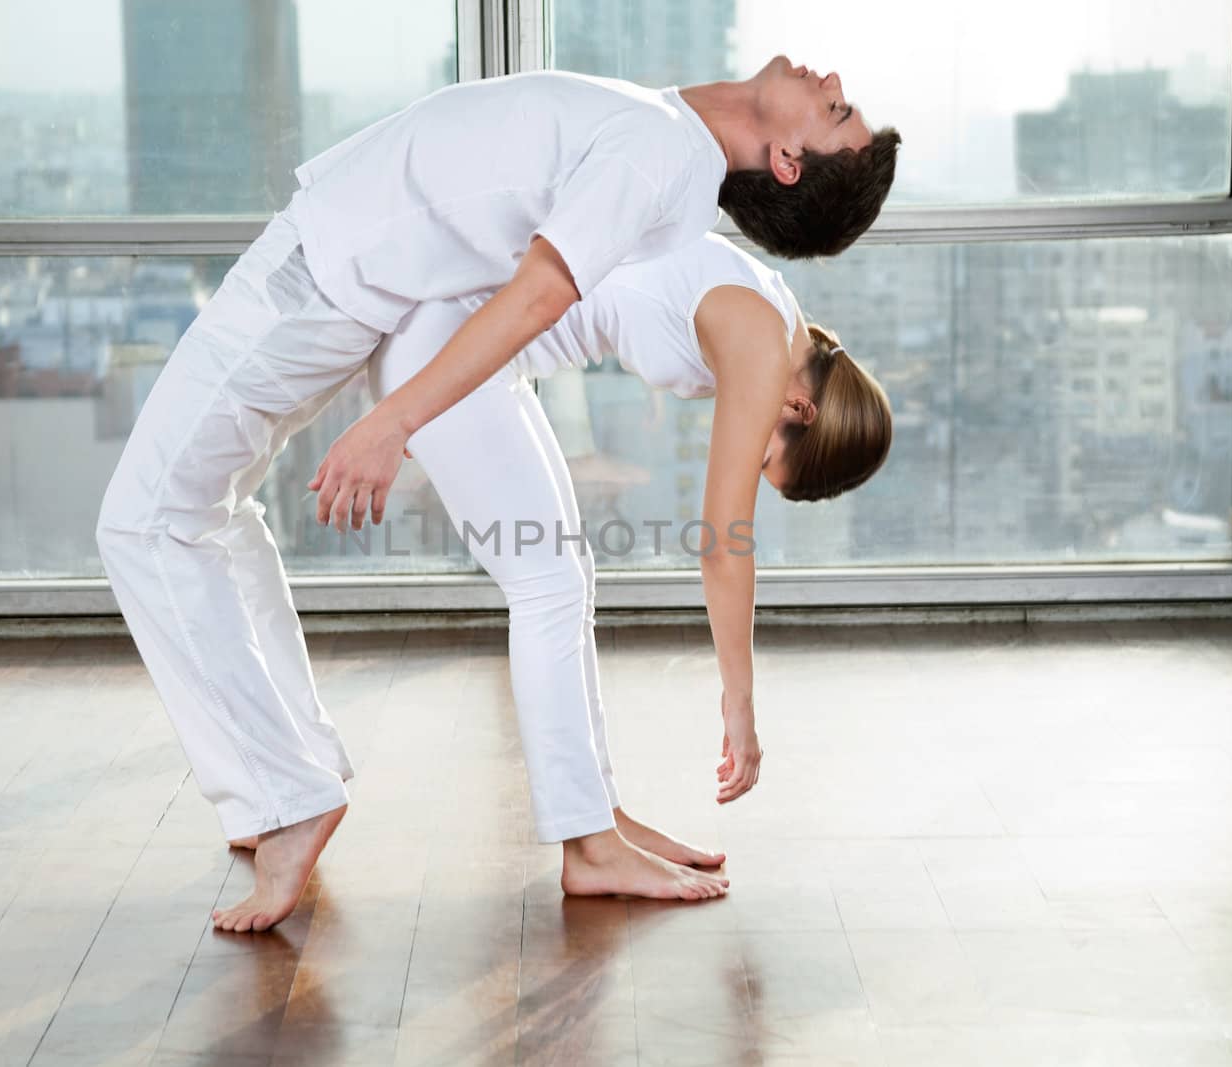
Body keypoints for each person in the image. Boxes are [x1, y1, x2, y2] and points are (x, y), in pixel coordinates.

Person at [96, 58, 900, 933]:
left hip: (363, 282)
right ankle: (309, 788)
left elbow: (551, 289)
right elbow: (717, 527)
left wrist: (394, 421)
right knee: (195, 516)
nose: (833, 82)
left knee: (165, 521)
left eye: (840, 110)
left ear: (799, 406)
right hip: (374, 283)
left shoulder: (686, 186)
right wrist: (739, 707)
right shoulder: (693, 191)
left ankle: (352, 797)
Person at [334, 232, 891, 917]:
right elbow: (723, 543)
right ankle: (589, 847)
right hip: (446, 346)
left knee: (568, 581)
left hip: (476, 346)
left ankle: (601, 820)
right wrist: (739, 701)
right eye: (767, 458)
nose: (749, 456)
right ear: (801, 410)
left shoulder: (776, 318)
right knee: (547, 586)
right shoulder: (761, 342)